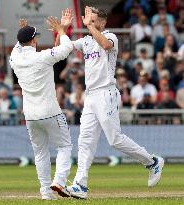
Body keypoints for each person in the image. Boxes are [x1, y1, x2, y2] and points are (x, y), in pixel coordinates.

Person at [55, 6, 164, 199]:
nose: (89, 21)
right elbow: (60, 50)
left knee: (115, 139)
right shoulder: (86, 41)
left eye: (93, 19)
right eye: (89, 19)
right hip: (90, 96)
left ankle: (152, 161)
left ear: (102, 23)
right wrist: (62, 30)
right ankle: (80, 184)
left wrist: (89, 27)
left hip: (106, 93)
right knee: (85, 140)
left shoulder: (111, 36)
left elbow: (105, 45)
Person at [9, 16, 73, 200]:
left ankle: (46, 192)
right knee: (65, 145)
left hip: (30, 116)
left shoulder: (15, 59)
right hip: (51, 111)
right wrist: (62, 30)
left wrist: (21, 33)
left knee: (40, 152)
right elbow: (67, 48)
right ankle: (59, 181)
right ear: (33, 40)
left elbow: (18, 46)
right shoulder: (42, 57)